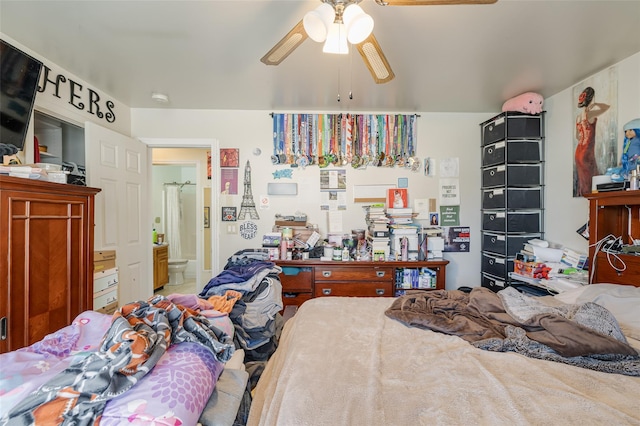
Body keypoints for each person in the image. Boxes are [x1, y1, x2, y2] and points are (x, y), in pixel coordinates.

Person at [574, 86, 610, 196]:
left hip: (579, 151)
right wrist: (596, 105)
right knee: (591, 181)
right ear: (591, 98)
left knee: (583, 180)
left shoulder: (578, 117)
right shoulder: (589, 114)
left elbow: (577, 136)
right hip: (587, 152)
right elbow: (607, 107)